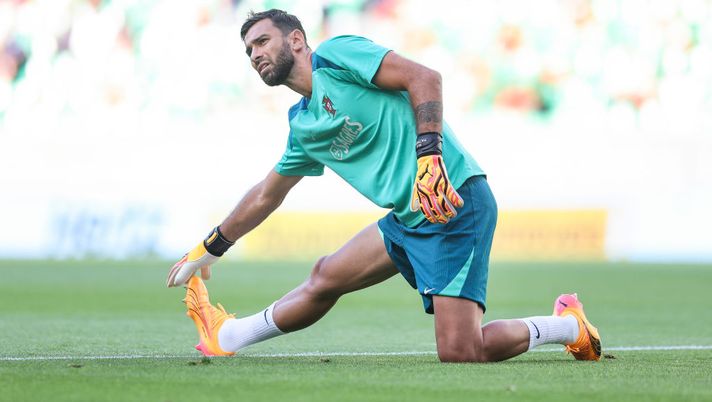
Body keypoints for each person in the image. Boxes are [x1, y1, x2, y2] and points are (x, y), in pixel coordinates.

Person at [166, 9, 601, 363]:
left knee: (462, 351)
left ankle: (568, 326)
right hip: (409, 216)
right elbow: (268, 194)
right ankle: (229, 335)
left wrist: (430, 155)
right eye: (248, 51)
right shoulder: (303, 124)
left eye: (262, 41)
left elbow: (425, 78)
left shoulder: (337, 56)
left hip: (453, 202)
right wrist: (211, 247)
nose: (255, 54)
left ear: (296, 39)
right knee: (324, 276)